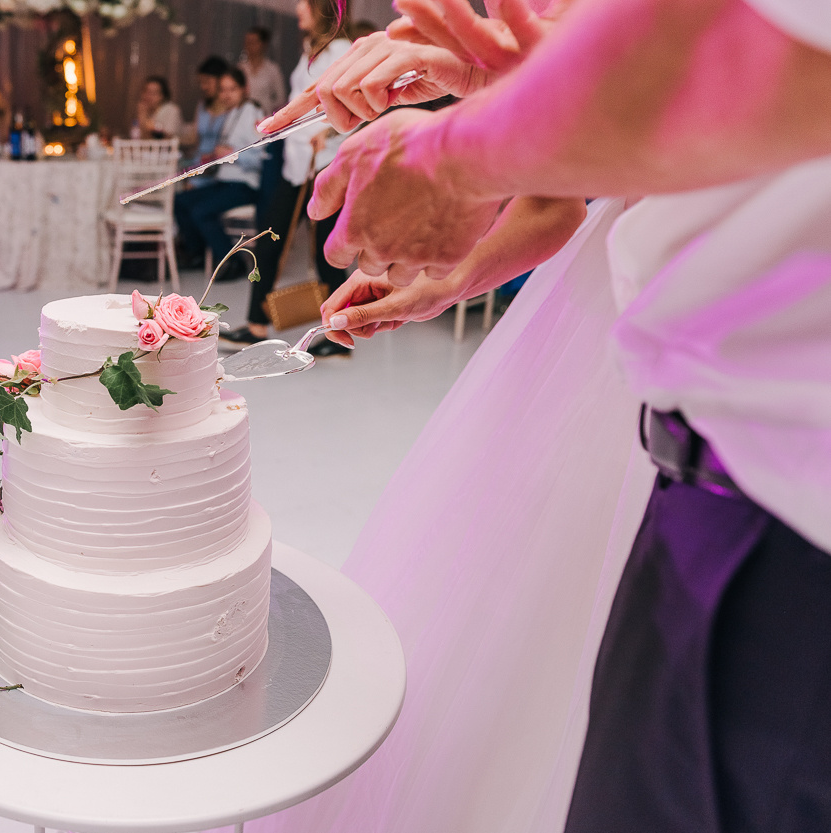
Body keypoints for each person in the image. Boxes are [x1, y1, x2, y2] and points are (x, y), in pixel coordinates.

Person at [248, 0, 831, 831]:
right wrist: (511, 84)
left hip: (784, 487)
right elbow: (634, 147)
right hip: (701, 410)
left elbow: (764, 63)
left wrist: (459, 155)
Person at [219, 0, 352, 355]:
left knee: (326, 250)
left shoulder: (341, 49)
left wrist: (333, 134)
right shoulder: (313, 49)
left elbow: (355, 102)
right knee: (270, 238)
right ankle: (258, 325)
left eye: (304, 2)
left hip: (323, 164)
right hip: (297, 164)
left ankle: (341, 334)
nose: (297, 8)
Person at [172, 68, 265, 275]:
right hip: (226, 180)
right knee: (180, 201)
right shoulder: (232, 112)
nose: (226, 95)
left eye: (232, 89)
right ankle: (196, 253)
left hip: (245, 184)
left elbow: (260, 157)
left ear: (244, 89)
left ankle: (234, 263)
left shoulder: (253, 112)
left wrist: (233, 153)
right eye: (223, 90)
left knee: (201, 211)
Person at [181, 56, 231, 170]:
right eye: (201, 82)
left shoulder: (231, 109)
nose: (203, 87)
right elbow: (194, 140)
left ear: (221, 80)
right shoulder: (201, 105)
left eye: (207, 82)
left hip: (219, 166)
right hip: (198, 163)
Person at [237, 27, 287, 116]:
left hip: (265, 115)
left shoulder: (272, 69)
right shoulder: (241, 68)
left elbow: (281, 99)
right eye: (247, 42)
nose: (249, 45)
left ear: (263, 44)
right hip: (242, 115)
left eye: (253, 42)